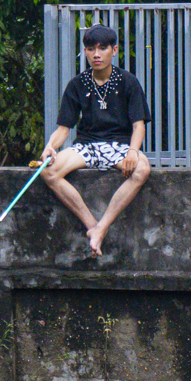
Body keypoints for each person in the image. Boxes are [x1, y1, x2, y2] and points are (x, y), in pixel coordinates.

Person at [42, 25, 151, 257]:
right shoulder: (77, 84)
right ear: (85, 51)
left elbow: (138, 125)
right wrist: (50, 146)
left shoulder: (128, 82)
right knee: (48, 172)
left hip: (119, 146)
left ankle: (103, 226)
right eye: (91, 49)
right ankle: (93, 225)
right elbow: (64, 128)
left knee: (141, 170)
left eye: (103, 48)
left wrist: (133, 151)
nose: (97, 54)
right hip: (87, 145)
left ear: (115, 50)